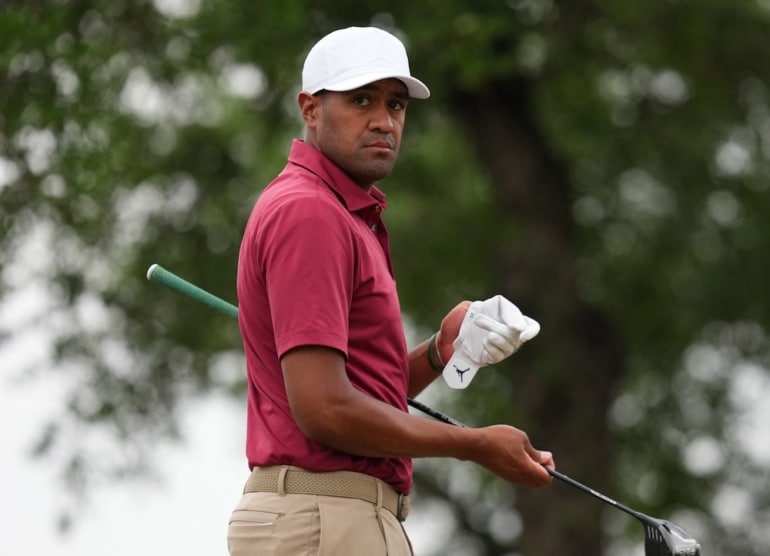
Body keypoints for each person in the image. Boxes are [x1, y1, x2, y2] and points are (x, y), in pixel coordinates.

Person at [229, 26, 555, 556]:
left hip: (333, 519)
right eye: (362, 101)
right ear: (310, 109)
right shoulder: (310, 212)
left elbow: (357, 392)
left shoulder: (342, 213)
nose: (384, 121)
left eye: (396, 104)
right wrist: (474, 445)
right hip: (324, 520)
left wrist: (440, 350)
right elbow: (325, 409)